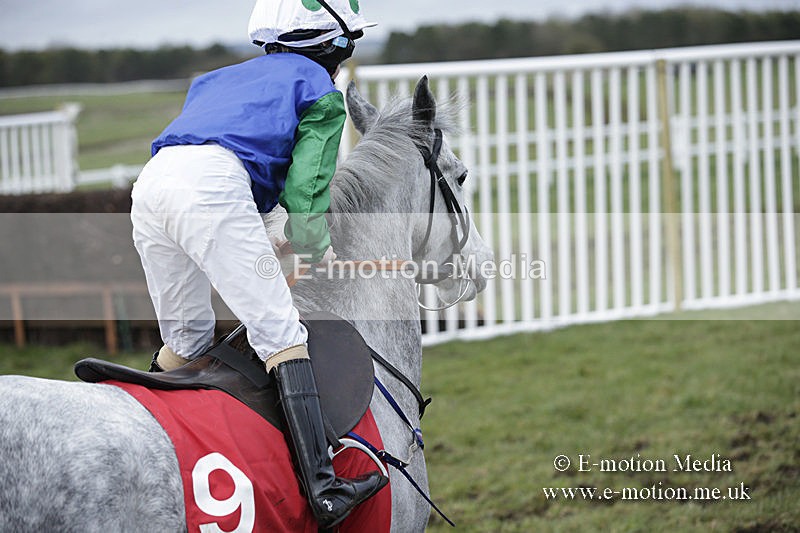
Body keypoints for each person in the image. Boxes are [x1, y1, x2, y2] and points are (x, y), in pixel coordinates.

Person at [129, 0, 386, 527]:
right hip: (213, 188)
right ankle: (323, 486)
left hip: (151, 184)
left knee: (188, 339)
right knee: (281, 333)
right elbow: (307, 186)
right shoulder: (321, 91)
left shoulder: (216, 79)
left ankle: (143, 439)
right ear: (336, 47)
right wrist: (314, 245)